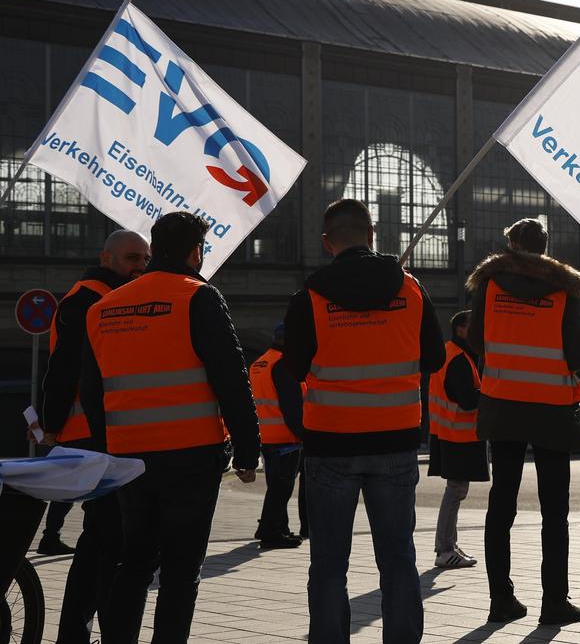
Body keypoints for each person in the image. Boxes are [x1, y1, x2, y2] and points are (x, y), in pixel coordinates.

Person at [81, 211, 260, 643]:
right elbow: (231, 378)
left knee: (134, 561)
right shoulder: (198, 296)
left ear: (155, 248)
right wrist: (249, 451)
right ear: (196, 251)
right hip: (191, 455)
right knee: (181, 570)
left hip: (128, 457)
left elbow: (91, 390)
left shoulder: (103, 308)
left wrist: (107, 448)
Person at [274, 198, 445, 642]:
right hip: (396, 442)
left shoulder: (309, 297)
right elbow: (434, 356)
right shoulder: (410, 290)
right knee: (398, 558)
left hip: (331, 443)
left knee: (329, 563)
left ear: (328, 242)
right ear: (372, 235)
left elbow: (292, 368)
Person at [467, 218, 580, 626]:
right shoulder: (565, 291)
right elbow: (576, 356)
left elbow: (475, 341)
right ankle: (554, 602)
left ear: (510, 245)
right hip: (552, 410)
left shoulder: (489, 286)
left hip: (503, 405)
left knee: (501, 507)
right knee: (554, 512)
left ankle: (501, 599)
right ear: (544, 247)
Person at [37, 228, 149, 643]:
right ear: (107, 259)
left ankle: (78, 631)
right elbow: (64, 369)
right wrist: (51, 426)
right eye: (131, 259)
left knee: (100, 540)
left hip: (107, 434)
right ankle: (102, 631)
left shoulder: (110, 297)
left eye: (145, 259)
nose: (140, 267)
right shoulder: (88, 300)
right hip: (92, 436)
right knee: (110, 541)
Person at [427, 309, 489, 569]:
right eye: (475, 326)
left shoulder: (452, 353)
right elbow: (466, 399)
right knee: (455, 491)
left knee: (456, 491)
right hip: (458, 434)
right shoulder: (459, 358)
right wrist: (487, 392)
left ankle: (448, 545)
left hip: (449, 432)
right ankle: (444, 549)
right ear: (462, 329)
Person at [248, 324, 306, 549]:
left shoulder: (260, 363)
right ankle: (269, 531)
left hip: (267, 435)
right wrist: (303, 435)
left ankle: (279, 527)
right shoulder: (285, 365)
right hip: (285, 436)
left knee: (276, 485)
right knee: (282, 487)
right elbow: (292, 407)